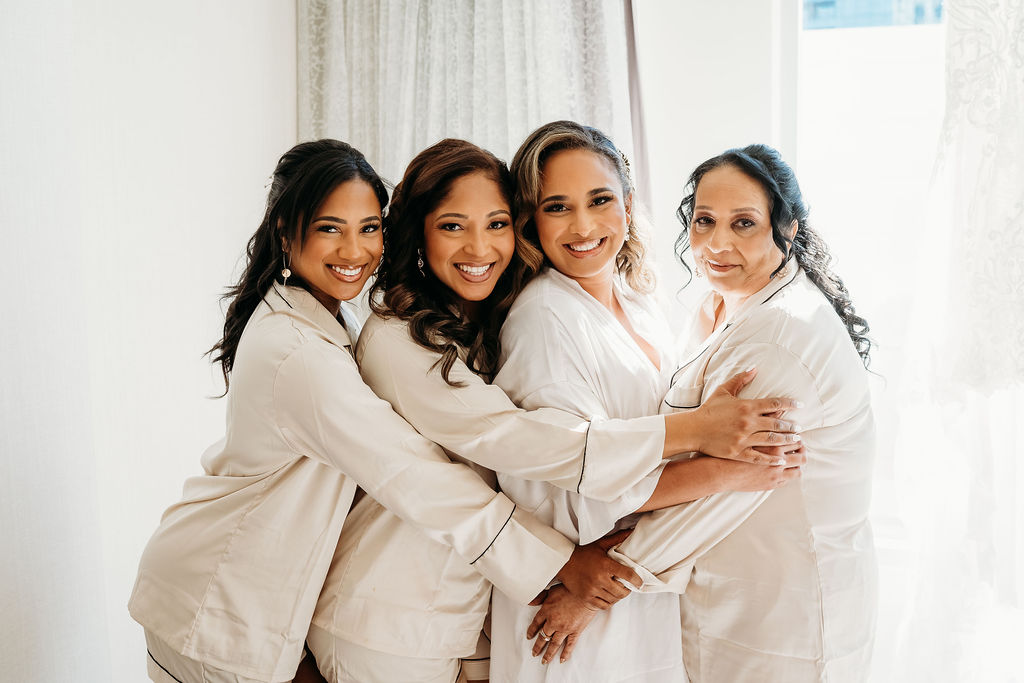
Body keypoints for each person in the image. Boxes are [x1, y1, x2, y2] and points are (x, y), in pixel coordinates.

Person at [127, 139, 642, 683]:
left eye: (368, 228)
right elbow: (415, 477)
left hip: (285, 599)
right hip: (219, 599)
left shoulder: (336, 322)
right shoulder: (301, 354)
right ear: (284, 230)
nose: (353, 251)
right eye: (329, 227)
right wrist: (559, 564)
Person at [307, 139, 804, 683]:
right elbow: (523, 450)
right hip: (393, 611)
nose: (479, 246)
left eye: (495, 223)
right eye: (452, 226)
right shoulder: (426, 336)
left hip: (477, 612)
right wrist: (705, 448)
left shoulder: (511, 315)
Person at [486, 122, 805, 682]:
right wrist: (728, 470)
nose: (583, 226)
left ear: (628, 205)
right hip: (576, 608)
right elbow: (587, 494)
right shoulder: (542, 320)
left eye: (600, 200)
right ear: (531, 219)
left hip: (641, 593)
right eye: (557, 207)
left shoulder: (639, 303)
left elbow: (662, 437)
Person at [562, 144, 875, 682]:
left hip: (787, 617)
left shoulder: (782, 337)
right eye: (704, 221)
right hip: (735, 595)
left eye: (744, 223)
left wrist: (600, 585)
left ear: (788, 229)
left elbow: (727, 495)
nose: (717, 243)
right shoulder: (719, 307)